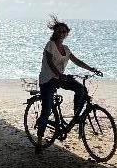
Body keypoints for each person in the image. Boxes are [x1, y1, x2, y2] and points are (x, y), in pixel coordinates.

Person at [36, 16, 102, 150]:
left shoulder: (66, 48)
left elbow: (77, 61)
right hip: (48, 80)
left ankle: (77, 113)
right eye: (59, 31)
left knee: (80, 88)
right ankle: (38, 141)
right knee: (46, 109)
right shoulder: (50, 45)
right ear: (55, 32)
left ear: (67, 33)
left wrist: (92, 69)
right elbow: (49, 62)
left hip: (59, 79)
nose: (62, 34)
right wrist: (59, 74)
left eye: (64, 32)